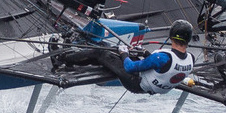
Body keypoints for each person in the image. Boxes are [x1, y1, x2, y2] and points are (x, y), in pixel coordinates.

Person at [58, 19, 196, 95]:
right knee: (111, 51)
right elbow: (164, 67)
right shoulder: (191, 59)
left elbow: (130, 67)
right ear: (188, 39)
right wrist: (145, 53)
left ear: (171, 36)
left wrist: (124, 53)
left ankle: (62, 58)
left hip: (135, 83)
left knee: (101, 52)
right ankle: (76, 58)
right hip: (150, 87)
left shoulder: (161, 58)